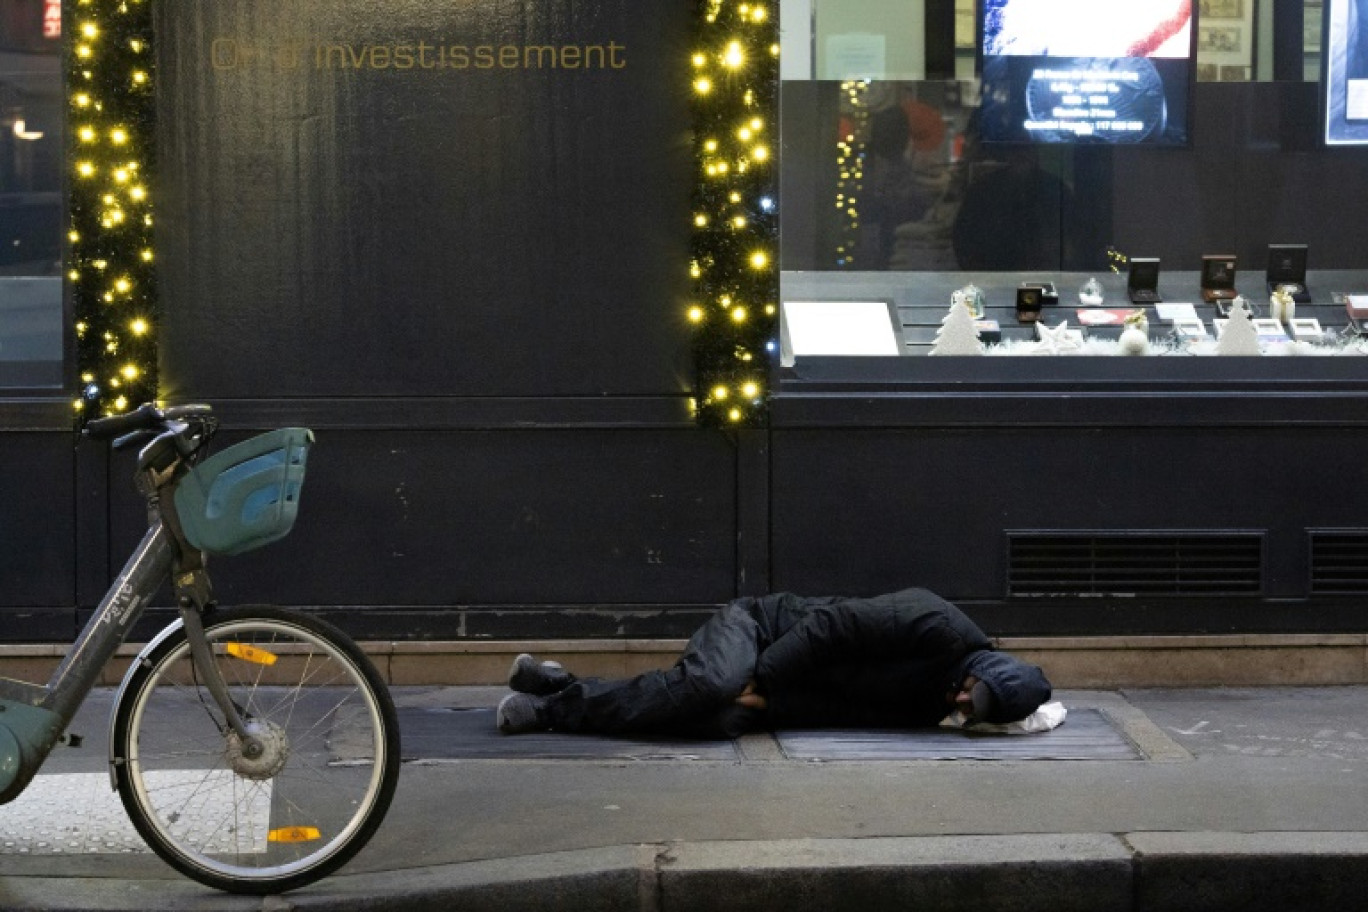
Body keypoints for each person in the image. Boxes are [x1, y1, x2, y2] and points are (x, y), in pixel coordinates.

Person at [495, 588, 1052, 738]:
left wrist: (766, 702)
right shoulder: (938, 623)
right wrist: (762, 678)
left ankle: (562, 684)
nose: (961, 706)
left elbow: (844, 709)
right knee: (710, 684)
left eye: (973, 712)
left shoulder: (932, 705)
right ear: (980, 673)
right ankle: (552, 711)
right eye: (970, 695)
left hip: (776, 681)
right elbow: (830, 629)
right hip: (762, 626)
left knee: (715, 720)